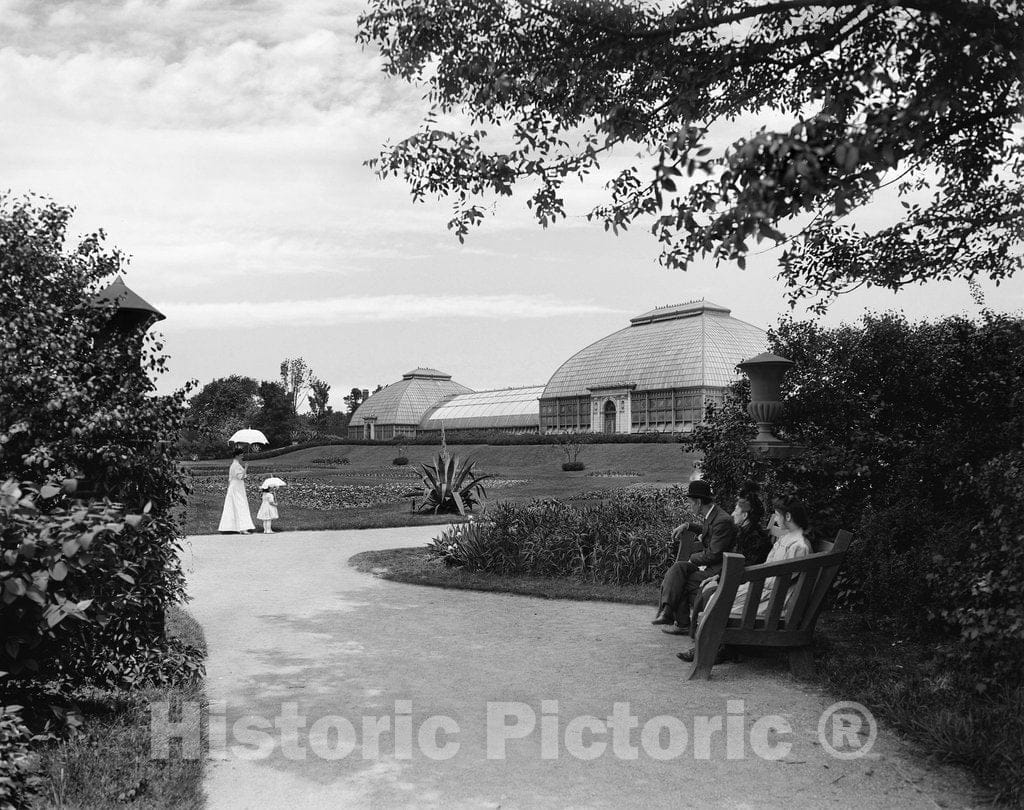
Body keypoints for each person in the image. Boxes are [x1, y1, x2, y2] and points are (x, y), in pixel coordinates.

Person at [676, 495, 813, 663]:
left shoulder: (798, 546)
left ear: (788, 517)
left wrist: (748, 580)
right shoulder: (787, 539)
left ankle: (709, 649)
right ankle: (714, 647)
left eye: (777, 514)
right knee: (717, 596)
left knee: (720, 601)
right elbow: (769, 567)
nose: (776, 518)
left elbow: (780, 579)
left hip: (775, 599)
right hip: (767, 589)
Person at [652, 479, 737, 635]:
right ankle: (667, 612)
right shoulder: (713, 515)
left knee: (680, 579)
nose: (689, 506)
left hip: (718, 570)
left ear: (698, 502)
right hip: (710, 566)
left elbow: (714, 553)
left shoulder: (722, 520)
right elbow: (708, 532)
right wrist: (688, 526)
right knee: (678, 568)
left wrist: (693, 557)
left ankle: (678, 620)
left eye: (690, 503)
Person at [217, 447, 255, 534]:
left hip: (235, 486)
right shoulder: (236, 465)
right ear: (237, 455)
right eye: (241, 455)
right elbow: (240, 477)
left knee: (235, 506)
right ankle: (242, 528)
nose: (242, 456)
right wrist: (246, 468)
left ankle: (238, 527)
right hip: (236, 487)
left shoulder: (234, 465)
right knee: (240, 505)